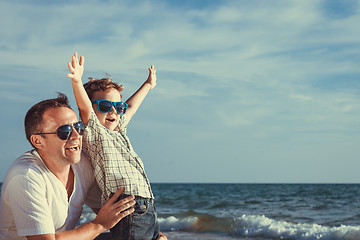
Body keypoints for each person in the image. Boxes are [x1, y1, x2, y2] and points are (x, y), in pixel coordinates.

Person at [0, 93, 136, 240]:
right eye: (65, 131)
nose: (77, 135)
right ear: (38, 141)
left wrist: (149, 234)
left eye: (79, 127)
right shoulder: (26, 177)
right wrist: (99, 225)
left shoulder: (83, 165)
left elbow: (110, 215)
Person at [66, 52, 166, 240]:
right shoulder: (94, 132)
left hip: (147, 205)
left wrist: (147, 85)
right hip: (127, 206)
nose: (113, 111)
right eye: (104, 105)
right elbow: (85, 108)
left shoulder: (118, 130)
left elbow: (131, 107)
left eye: (117, 107)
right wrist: (77, 82)